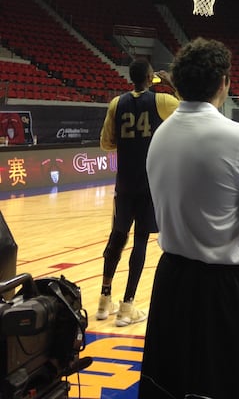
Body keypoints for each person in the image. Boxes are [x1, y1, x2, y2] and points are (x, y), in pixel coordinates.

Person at [139, 37, 239, 399]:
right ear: (223, 82)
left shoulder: (160, 135)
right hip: (224, 287)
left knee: (171, 385)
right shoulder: (235, 136)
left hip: (172, 279)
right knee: (231, 385)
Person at [96, 59, 179, 326]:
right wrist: (171, 83)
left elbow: (106, 143)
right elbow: (191, 110)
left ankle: (103, 301)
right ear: (150, 76)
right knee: (140, 240)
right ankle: (126, 307)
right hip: (149, 184)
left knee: (117, 238)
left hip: (125, 184)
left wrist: (126, 143)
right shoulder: (162, 101)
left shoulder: (115, 103)